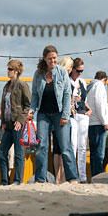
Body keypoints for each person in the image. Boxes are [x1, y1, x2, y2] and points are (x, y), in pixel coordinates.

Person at [28, 45, 77, 183]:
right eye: (50, 58)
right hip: (43, 114)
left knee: (65, 146)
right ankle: (40, 179)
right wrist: (32, 110)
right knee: (41, 146)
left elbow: (68, 94)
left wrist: (65, 115)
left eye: (55, 58)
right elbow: (35, 96)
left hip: (59, 113)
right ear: (44, 59)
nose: (53, 61)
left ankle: (72, 177)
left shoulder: (62, 72)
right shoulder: (38, 74)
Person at [0, 60, 31, 185]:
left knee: (19, 154)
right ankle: (4, 180)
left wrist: (21, 120)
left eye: (10, 69)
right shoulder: (6, 86)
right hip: (8, 124)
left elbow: (28, 105)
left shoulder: (22, 85)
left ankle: (17, 180)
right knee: (2, 152)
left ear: (16, 71)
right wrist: (3, 123)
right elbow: (5, 106)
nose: (8, 71)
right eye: (8, 69)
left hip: (18, 125)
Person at [68, 58, 92, 182]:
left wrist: (89, 110)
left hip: (83, 114)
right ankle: (73, 175)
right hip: (72, 115)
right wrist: (73, 100)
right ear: (72, 69)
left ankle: (82, 176)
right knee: (73, 145)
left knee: (82, 146)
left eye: (82, 71)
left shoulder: (82, 82)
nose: (80, 73)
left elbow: (85, 100)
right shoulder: (67, 81)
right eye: (78, 70)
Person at [85, 71, 108, 180]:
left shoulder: (89, 86)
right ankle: (98, 176)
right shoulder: (99, 85)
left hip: (90, 122)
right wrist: (105, 121)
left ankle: (93, 176)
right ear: (104, 79)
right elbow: (100, 104)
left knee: (93, 153)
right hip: (98, 123)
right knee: (99, 153)